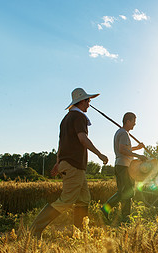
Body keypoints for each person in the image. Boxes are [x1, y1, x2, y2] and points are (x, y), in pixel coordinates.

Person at [31, 88, 108, 238]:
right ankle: (36, 228)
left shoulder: (66, 119)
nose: (89, 104)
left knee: (84, 198)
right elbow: (82, 139)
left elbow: (61, 143)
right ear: (81, 101)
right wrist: (99, 154)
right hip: (74, 164)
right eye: (88, 101)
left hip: (70, 164)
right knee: (66, 200)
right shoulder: (79, 118)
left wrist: (58, 162)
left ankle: (79, 232)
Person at [101, 112, 147, 223]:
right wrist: (139, 156)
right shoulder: (123, 133)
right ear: (128, 121)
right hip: (123, 166)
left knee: (127, 192)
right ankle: (107, 210)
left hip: (122, 165)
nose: (134, 125)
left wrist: (137, 147)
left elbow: (127, 149)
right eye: (133, 122)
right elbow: (122, 150)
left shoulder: (122, 133)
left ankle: (125, 217)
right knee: (125, 192)